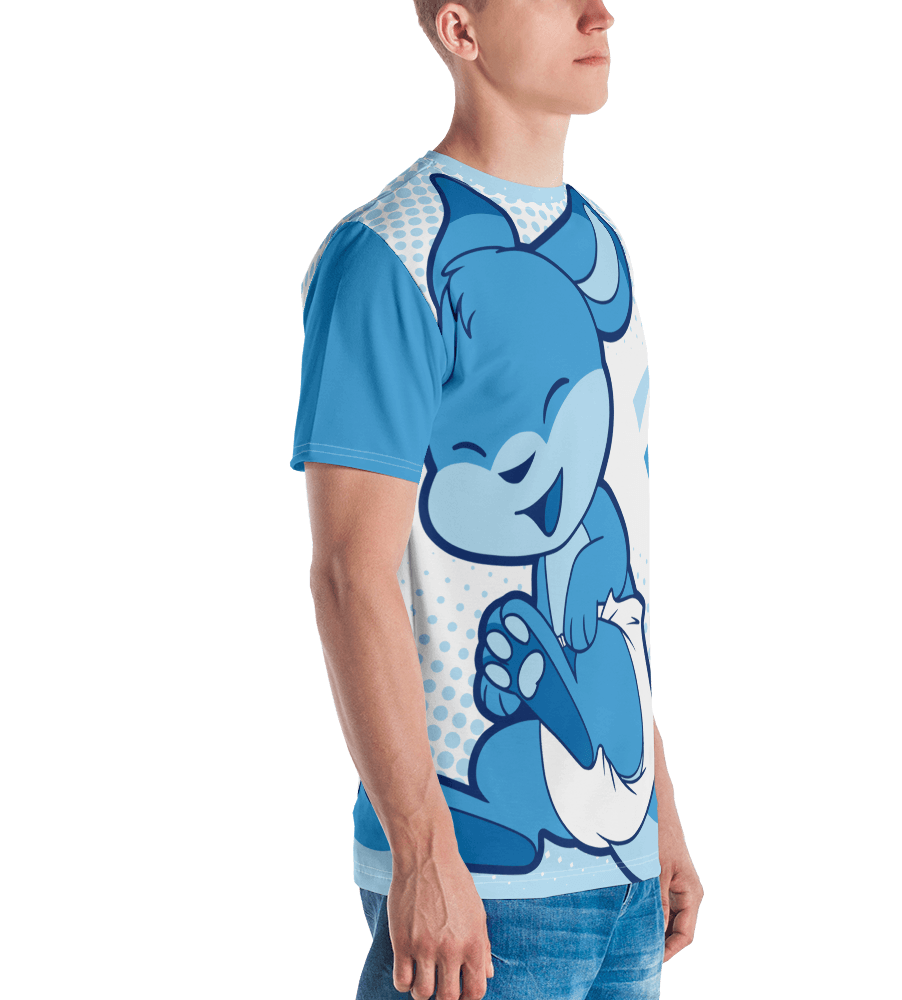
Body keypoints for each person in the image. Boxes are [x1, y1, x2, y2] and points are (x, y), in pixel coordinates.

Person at [289, 2, 703, 997]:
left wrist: (659, 813)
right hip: (480, 889)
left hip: (621, 875)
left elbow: (614, 561)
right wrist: (423, 854)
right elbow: (349, 575)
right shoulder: (386, 257)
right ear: (460, 30)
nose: (600, 13)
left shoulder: (602, 242)